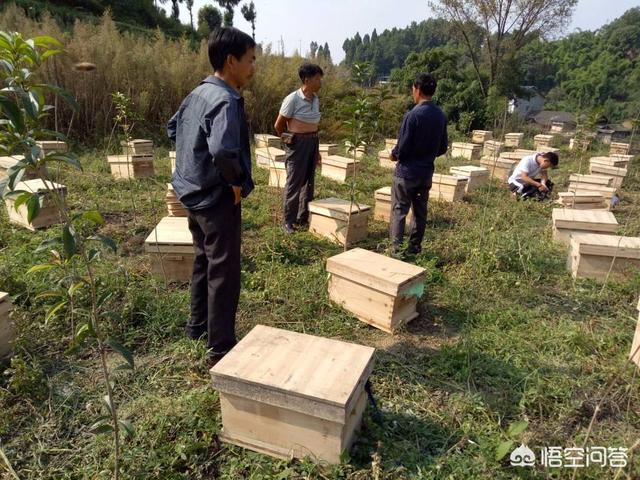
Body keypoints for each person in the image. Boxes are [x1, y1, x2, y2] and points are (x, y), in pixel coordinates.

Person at [167, 27, 256, 365]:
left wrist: (192, 162)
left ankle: (197, 326)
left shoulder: (196, 94)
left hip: (190, 193)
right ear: (231, 61)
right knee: (224, 271)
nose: (253, 67)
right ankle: (220, 349)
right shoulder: (226, 99)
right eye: (250, 60)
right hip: (216, 198)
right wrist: (233, 183)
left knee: (204, 260)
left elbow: (173, 129)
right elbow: (222, 150)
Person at [390, 73, 448, 256]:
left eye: (413, 89)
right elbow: (442, 148)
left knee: (399, 210)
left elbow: (403, 146)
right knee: (420, 212)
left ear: (417, 89)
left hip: (406, 173)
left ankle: (396, 250)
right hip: (426, 173)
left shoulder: (413, 115)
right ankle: (414, 248)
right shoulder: (440, 115)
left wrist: (394, 154)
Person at [274, 63, 323, 234]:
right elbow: (279, 125)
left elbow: (314, 126)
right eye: (317, 79)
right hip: (297, 144)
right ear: (307, 80)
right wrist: (288, 141)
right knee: (294, 182)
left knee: (309, 182)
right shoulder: (292, 99)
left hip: (312, 142)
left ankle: (302, 217)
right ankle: (288, 221)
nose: (320, 83)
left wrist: (316, 152)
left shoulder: (315, 99)